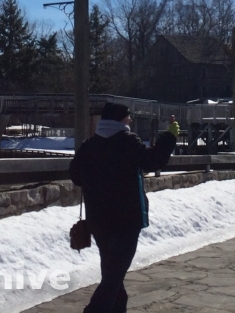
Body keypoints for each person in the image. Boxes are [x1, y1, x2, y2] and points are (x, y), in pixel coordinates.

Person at [70, 102, 178, 313]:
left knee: (112, 272)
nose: (130, 120)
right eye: (128, 117)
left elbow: (75, 175)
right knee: (113, 276)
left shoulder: (89, 145)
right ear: (121, 119)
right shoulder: (128, 141)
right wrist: (170, 136)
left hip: (98, 220)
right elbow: (152, 161)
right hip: (126, 220)